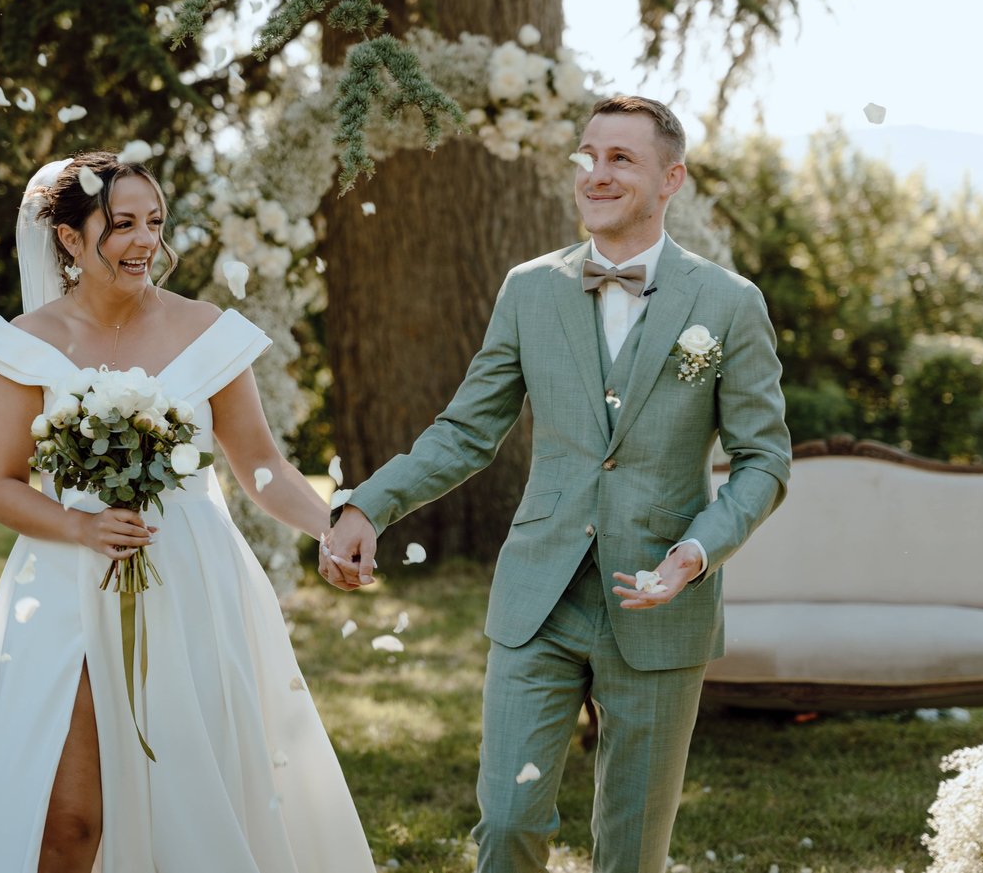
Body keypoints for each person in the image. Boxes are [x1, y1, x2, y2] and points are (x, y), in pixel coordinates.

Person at [326, 96, 792, 873]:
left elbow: (764, 459)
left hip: (660, 600)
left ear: (671, 179)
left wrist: (695, 553)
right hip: (537, 597)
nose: (596, 173)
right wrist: (368, 504)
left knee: (632, 851)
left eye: (621, 158)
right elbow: (466, 430)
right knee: (508, 823)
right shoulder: (530, 288)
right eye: (588, 155)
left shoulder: (728, 302)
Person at [0, 152, 373, 873]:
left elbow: (263, 466)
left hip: (188, 582)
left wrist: (330, 526)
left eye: (153, 222)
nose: (144, 240)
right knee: (67, 820)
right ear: (69, 239)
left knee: (193, 801)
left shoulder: (206, 329)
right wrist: (83, 526)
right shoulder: (24, 344)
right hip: (62, 586)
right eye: (121, 224)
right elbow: (0, 486)